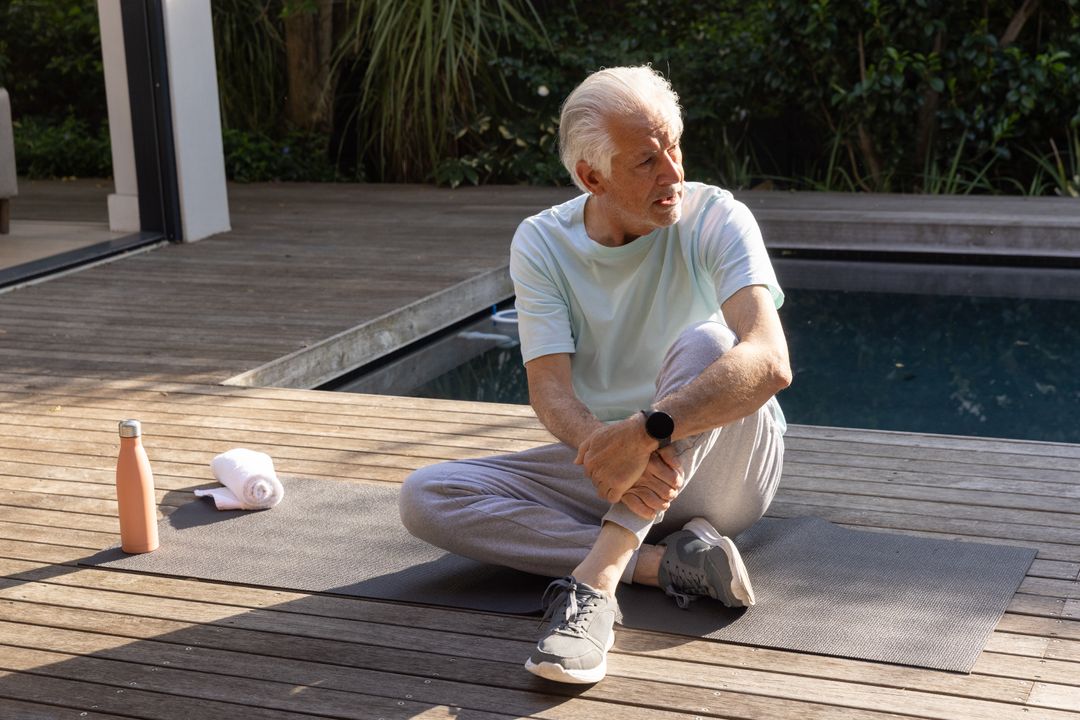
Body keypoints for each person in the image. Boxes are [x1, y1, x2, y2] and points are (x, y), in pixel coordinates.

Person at [399, 65, 791, 685]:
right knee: (426, 496)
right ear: (591, 176)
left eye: (675, 146)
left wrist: (645, 431)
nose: (674, 174)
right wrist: (606, 449)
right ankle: (666, 565)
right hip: (614, 468)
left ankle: (598, 580)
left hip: (727, 470)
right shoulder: (542, 242)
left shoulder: (717, 217)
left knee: (712, 341)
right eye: (646, 162)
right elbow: (548, 389)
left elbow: (768, 360)